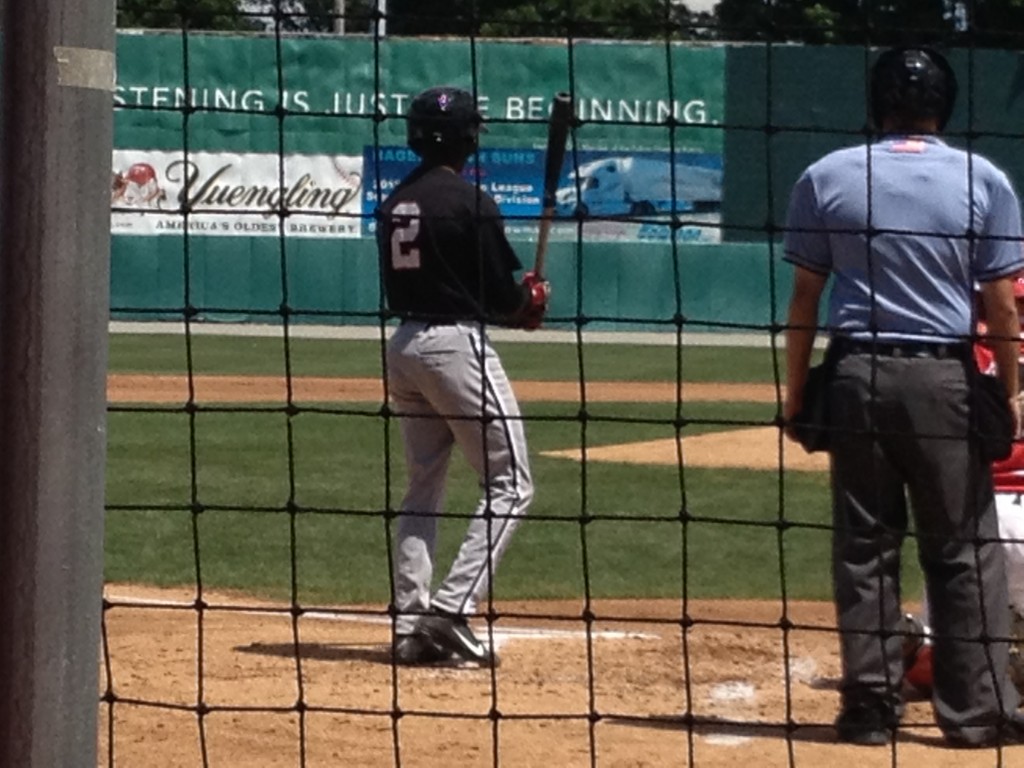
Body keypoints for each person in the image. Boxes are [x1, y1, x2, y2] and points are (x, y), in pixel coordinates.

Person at [782, 46, 1024, 747]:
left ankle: (868, 707)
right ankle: (977, 714)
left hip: (855, 373)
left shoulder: (827, 174)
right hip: (943, 377)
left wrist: (797, 396)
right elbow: (1002, 307)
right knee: (961, 547)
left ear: (875, 104)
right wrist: (1003, 396)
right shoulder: (981, 178)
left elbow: (805, 298)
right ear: (943, 105)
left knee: (864, 547)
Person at [376, 86, 549, 668]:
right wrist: (529, 304)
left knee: (423, 485)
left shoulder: (396, 200)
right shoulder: (472, 201)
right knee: (512, 482)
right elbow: (504, 299)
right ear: (469, 136)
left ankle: (410, 625)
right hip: (455, 349)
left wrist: (515, 305)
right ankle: (449, 612)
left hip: (403, 347)